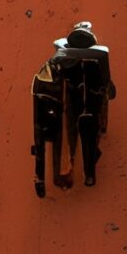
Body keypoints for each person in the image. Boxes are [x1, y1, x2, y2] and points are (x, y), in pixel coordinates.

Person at [51, 19, 114, 189]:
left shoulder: (69, 55)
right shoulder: (98, 54)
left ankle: (75, 169)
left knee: (76, 134)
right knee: (86, 134)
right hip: (85, 103)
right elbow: (106, 79)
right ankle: (82, 171)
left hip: (79, 103)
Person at [32, 51, 69, 198]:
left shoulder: (42, 74)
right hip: (52, 115)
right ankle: (51, 177)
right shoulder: (59, 73)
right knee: (54, 143)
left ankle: (41, 180)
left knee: (40, 147)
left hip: (41, 115)